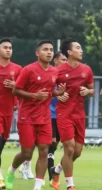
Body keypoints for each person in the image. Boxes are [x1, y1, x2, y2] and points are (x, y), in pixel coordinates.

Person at [4, 40, 65, 190]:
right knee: (27, 153)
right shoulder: (28, 70)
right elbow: (15, 90)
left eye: (51, 50)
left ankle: (37, 186)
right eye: (45, 49)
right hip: (27, 117)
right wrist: (34, 95)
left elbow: (50, 92)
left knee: (44, 151)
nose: (49, 52)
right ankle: (11, 170)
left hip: (44, 118)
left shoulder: (54, 72)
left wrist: (58, 93)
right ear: (37, 53)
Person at [50, 39, 94, 190]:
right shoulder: (58, 70)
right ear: (69, 52)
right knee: (69, 148)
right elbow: (48, 88)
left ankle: (56, 171)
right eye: (78, 48)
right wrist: (56, 95)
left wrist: (88, 91)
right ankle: (70, 185)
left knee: (77, 152)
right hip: (64, 114)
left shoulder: (86, 70)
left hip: (79, 115)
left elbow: (92, 90)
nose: (81, 50)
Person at [0, 38, 22, 189]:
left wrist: (15, 86)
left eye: (10, 48)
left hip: (8, 111)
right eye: (5, 47)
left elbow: (23, 90)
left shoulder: (18, 69)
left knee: (0, 144)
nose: (8, 50)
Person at [48, 52, 67, 184]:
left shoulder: (67, 77)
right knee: (52, 143)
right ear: (55, 60)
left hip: (62, 115)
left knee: (54, 146)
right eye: (63, 60)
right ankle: (51, 175)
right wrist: (55, 95)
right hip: (48, 114)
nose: (65, 62)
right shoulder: (50, 74)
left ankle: (53, 171)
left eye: (67, 60)